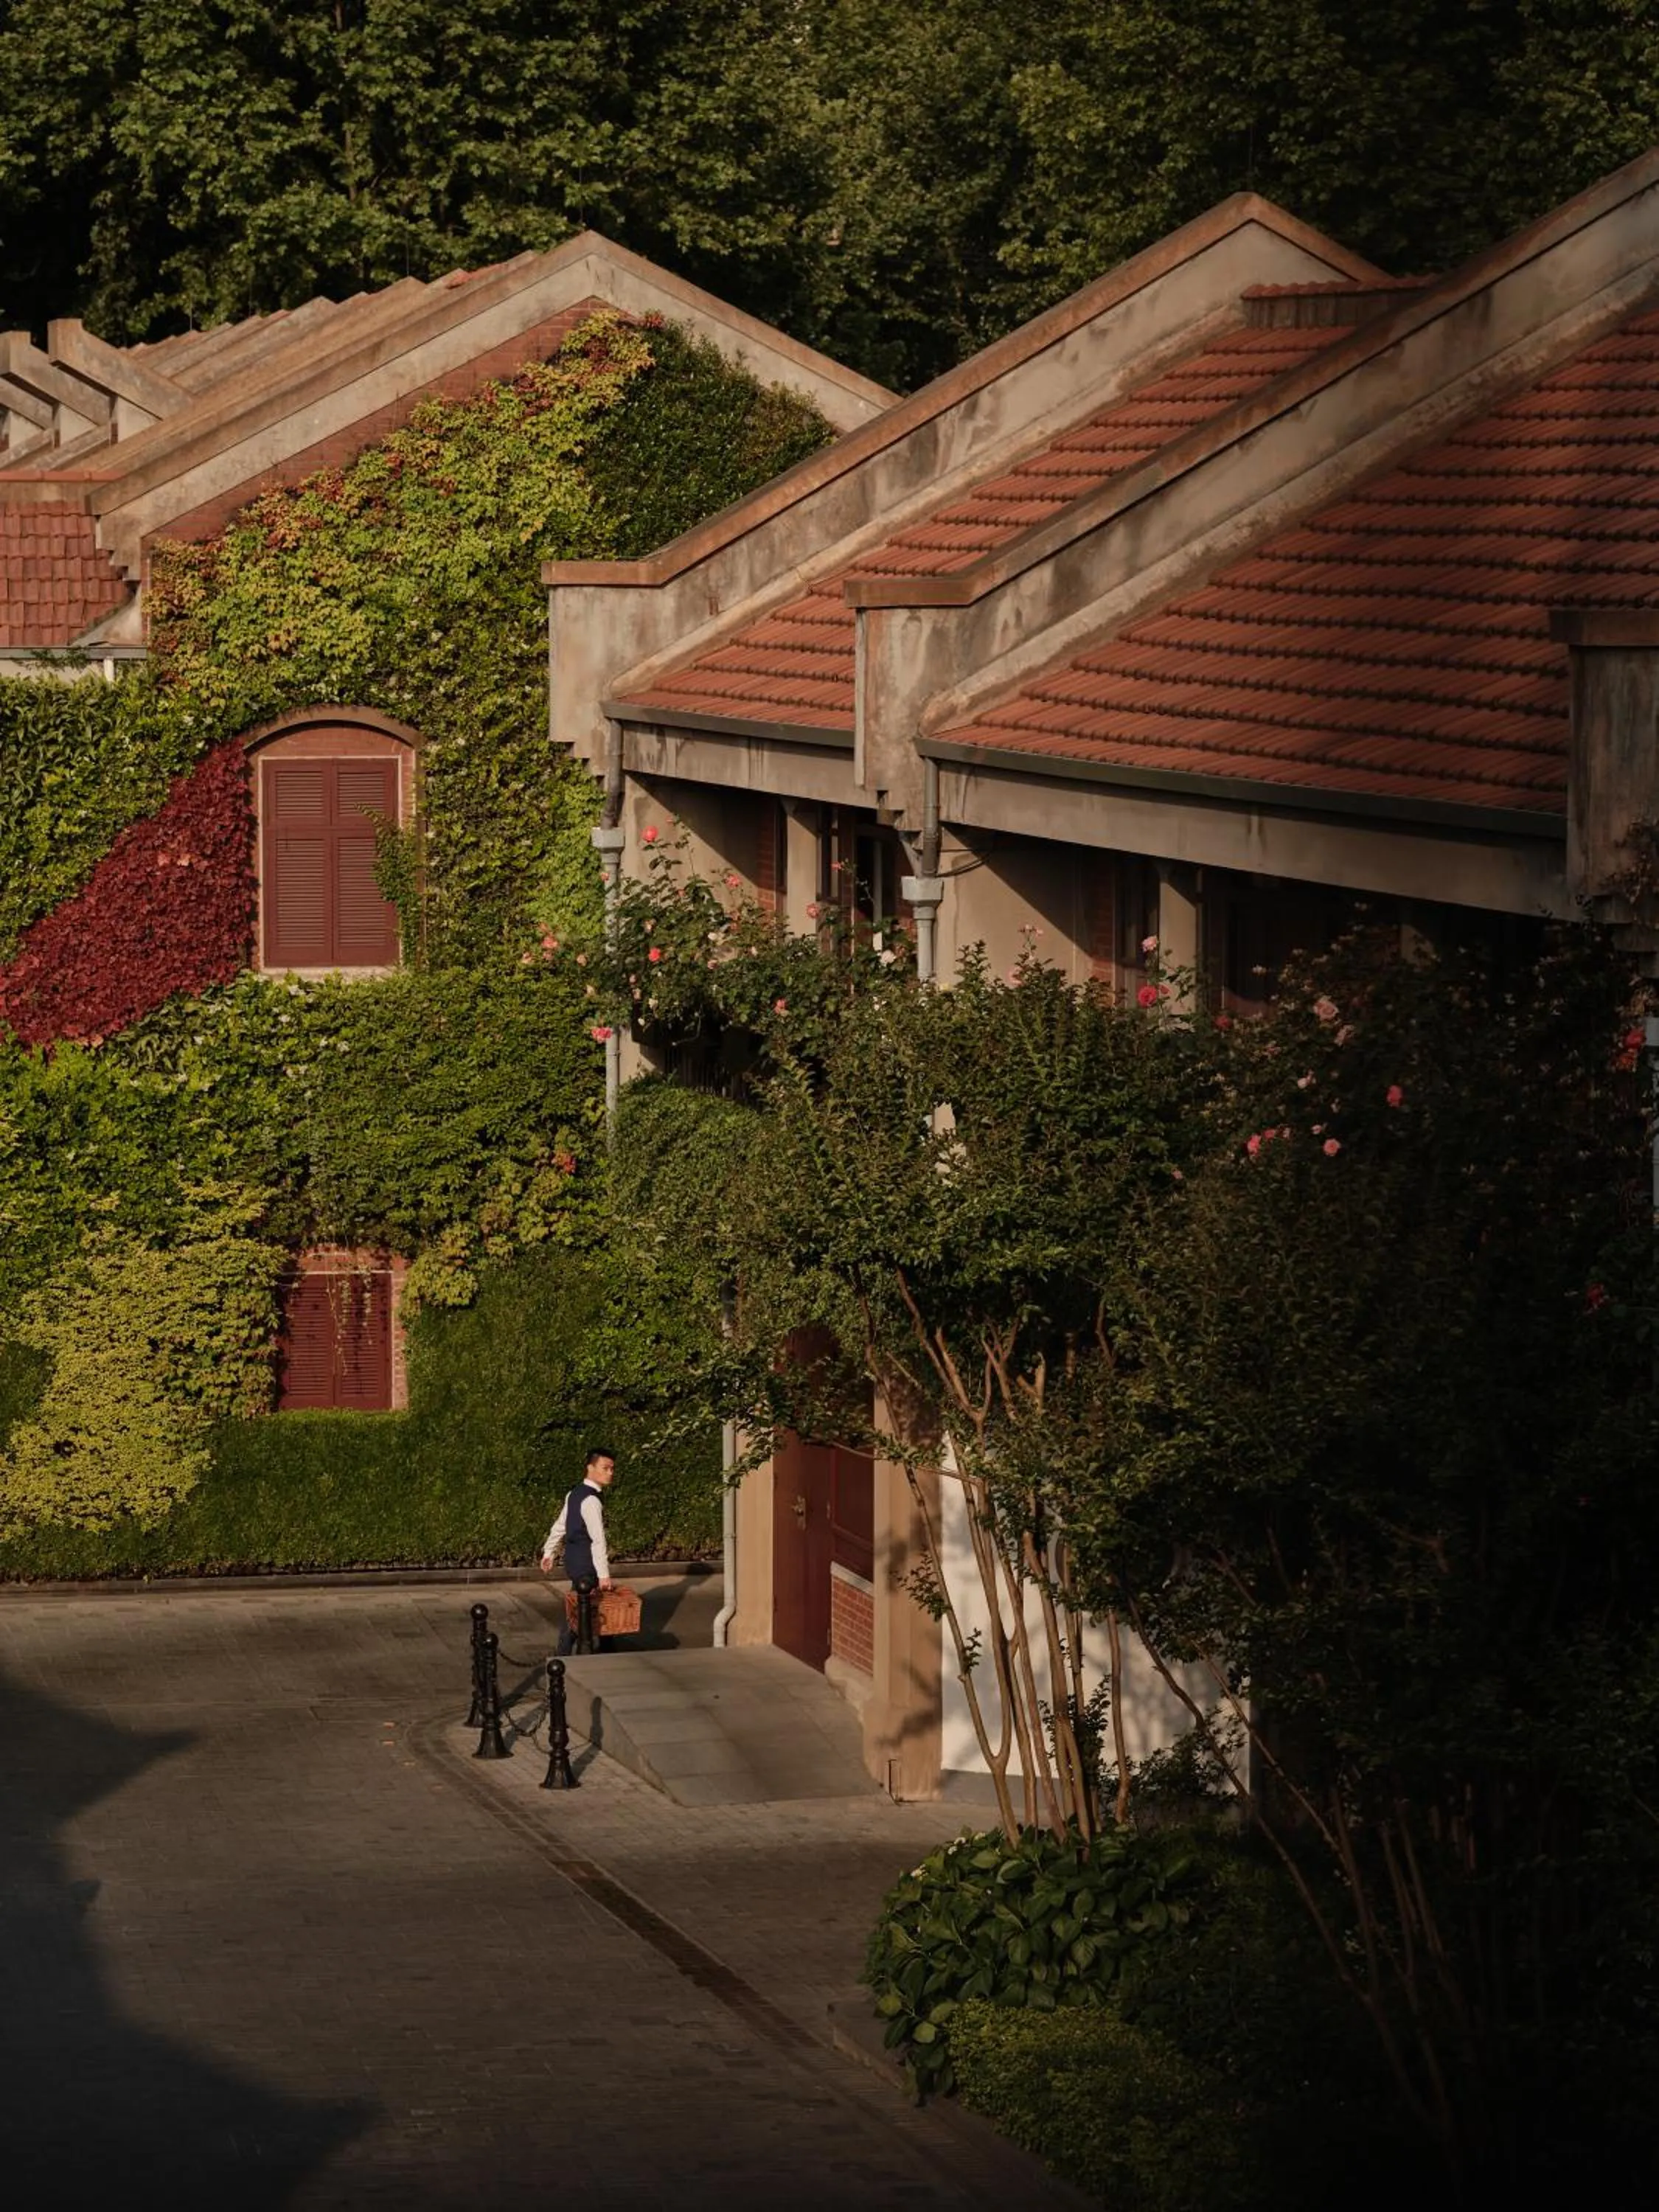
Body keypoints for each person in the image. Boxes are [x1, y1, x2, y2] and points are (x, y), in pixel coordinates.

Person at [540, 1447, 616, 1654]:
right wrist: (603, 1575)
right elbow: (597, 1540)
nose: (610, 1473)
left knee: (587, 1606)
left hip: (574, 1561)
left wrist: (549, 1552)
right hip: (585, 1563)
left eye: (612, 1469)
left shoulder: (573, 1494)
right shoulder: (591, 1501)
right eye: (605, 1468)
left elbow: (560, 1525)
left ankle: (604, 1650)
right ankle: (563, 1653)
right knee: (580, 1611)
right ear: (590, 1468)